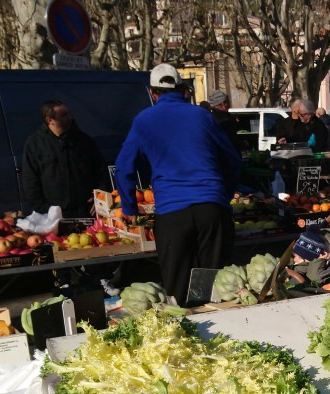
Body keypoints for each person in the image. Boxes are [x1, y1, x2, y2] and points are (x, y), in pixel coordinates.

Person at [115, 64, 241, 306]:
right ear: (183, 89)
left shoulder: (144, 120)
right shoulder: (203, 116)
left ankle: (188, 327)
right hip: (211, 210)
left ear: (152, 93)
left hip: (172, 215)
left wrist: (129, 208)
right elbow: (233, 160)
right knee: (212, 285)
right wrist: (221, 196)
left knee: (178, 288)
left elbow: (124, 169)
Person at [21, 100, 107, 218]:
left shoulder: (83, 141)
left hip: (86, 212)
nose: (70, 118)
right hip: (54, 216)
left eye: (68, 113)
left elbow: (101, 171)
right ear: (50, 120)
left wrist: (100, 197)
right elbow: (30, 182)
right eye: (64, 115)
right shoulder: (35, 145)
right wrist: (45, 210)